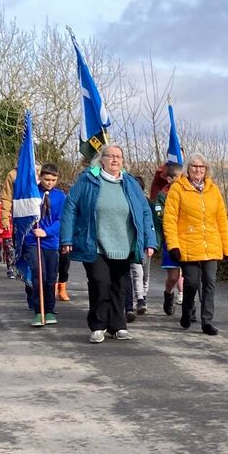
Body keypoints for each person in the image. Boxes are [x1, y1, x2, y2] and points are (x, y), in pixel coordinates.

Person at [60, 145, 156, 343]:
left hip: (124, 243)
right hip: (94, 242)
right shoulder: (87, 179)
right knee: (100, 282)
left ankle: (118, 325)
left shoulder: (130, 182)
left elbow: (145, 211)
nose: (115, 160)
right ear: (101, 159)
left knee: (120, 285)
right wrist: (67, 238)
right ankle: (98, 325)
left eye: (119, 156)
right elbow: (71, 206)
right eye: (110, 156)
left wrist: (150, 241)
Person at [163, 153, 228, 335]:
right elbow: (169, 219)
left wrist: (227, 248)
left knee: (210, 282)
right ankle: (187, 312)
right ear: (188, 169)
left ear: (206, 170)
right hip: (187, 244)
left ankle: (207, 321)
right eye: (194, 166)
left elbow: (221, 220)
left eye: (201, 167)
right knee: (191, 282)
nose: (198, 170)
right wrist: (173, 245)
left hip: (211, 244)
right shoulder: (178, 189)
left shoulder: (214, 190)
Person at [22, 164, 64, 327]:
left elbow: (61, 219)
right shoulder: (32, 193)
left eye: (53, 180)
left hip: (50, 241)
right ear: (40, 177)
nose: (50, 183)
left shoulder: (60, 196)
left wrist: (47, 232)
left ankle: (50, 309)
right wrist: (33, 231)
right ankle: (38, 310)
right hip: (33, 241)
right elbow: (23, 215)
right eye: (47, 179)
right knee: (39, 274)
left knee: (51, 278)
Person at [151, 161, 185, 315]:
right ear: (170, 179)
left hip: (188, 239)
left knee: (191, 277)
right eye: (179, 177)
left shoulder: (187, 193)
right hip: (171, 239)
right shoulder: (162, 195)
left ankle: (189, 308)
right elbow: (159, 215)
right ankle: (168, 293)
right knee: (173, 276)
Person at [127, 174, 150, 318]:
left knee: (143, 273)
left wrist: (151, 243)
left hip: (141, 244)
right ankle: (135, 301)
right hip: (126, 243)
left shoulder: (145, 203)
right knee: (134, 272)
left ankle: (143, 297)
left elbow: (149, 224)